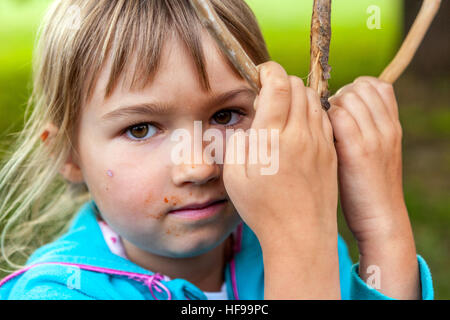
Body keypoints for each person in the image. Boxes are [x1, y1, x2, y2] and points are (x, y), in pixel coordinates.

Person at [0, 0, 433, 300]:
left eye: (225, 116)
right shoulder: (54, 291)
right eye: (141, 128)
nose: (199, 165)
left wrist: (380, 224)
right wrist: (298, 237)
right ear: (67, 155)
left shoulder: (280, 240)